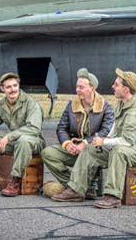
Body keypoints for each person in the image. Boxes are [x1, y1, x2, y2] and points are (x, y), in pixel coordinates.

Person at [51, 68, 136, 208]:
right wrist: (101, 140)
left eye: (116, 84)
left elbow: (127, 141)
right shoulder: (122, 102)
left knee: (119, 151)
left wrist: (104, 141)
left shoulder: (135, 112)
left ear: (126, 90)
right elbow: (115, 127)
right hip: (127, 145)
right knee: (90, 149)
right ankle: (76, 190)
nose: (113, 86)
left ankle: (113, 196)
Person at [41, 68, 114, 198]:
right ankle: (74, 185)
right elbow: (62, 128)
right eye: (77, 87)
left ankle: (87, 185)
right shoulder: (71, 105)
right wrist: (67, 144)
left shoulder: (106, 107)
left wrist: (85, 143)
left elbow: (106, 131)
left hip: (92, 152)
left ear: (92, 88)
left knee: (91, 150)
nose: (77, 90)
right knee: (48, 153)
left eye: (81, 87)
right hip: (74, 149)